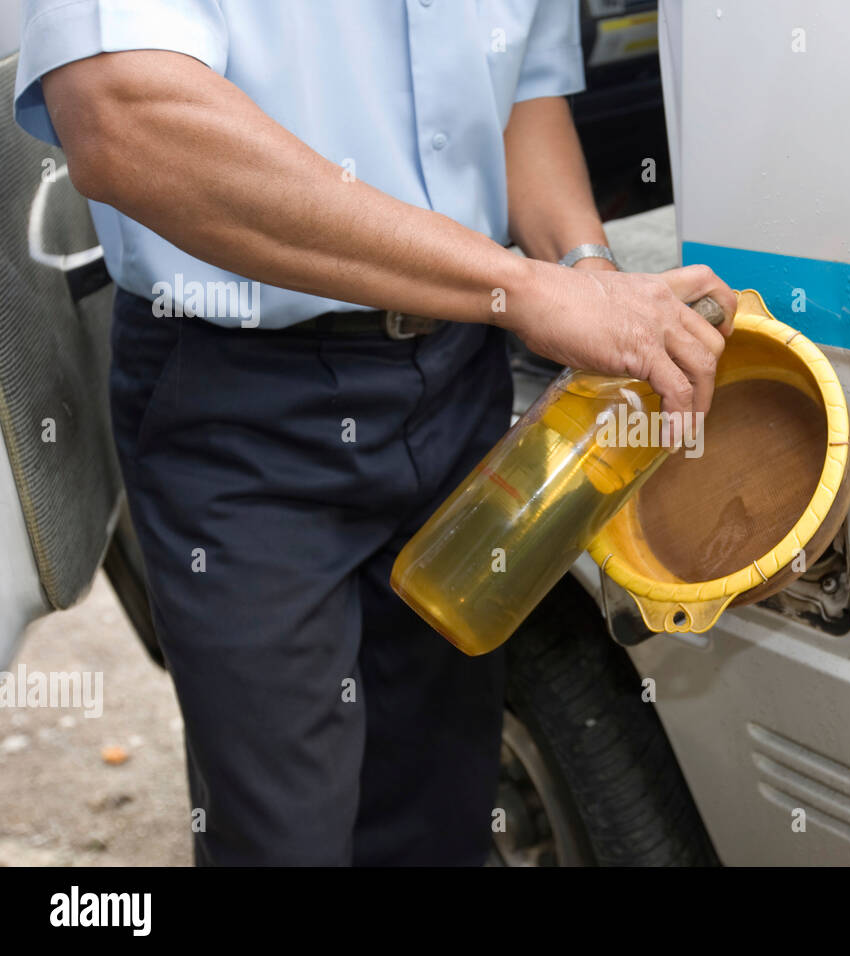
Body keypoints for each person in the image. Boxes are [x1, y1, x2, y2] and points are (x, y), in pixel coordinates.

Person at [13, 0, 735, 866]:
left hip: (460, 376)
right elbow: (122, 115)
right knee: (286, 837)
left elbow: (522, 97)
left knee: (440, 812)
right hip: (242, 405)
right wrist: (528, 289)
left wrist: (586, 275)